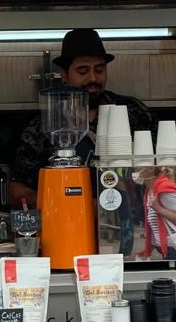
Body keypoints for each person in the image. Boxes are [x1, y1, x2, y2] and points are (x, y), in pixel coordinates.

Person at [8, 28, 155, 208]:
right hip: (66, 219)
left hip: (131, 218)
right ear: (64, 74)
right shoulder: (45, 125)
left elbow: (163, 169)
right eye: (83, 71)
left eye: (99, 70)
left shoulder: (134, 112)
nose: (93, 78)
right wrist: (54, 202)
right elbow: (17, 189)